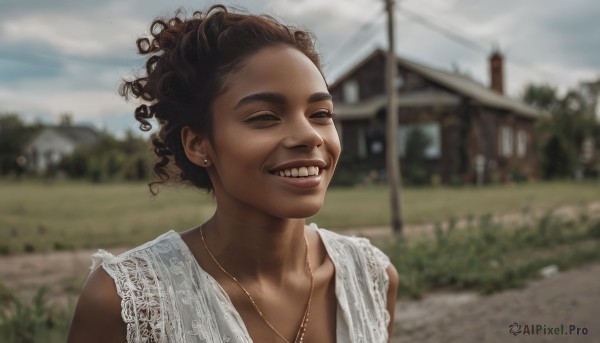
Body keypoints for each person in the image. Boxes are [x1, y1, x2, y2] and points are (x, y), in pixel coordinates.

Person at [67, 5, 398, 343]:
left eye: (321, 113)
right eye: (265, 116)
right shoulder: (127, 303)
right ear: (199, 145)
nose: (311, 136)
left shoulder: (371, 276)